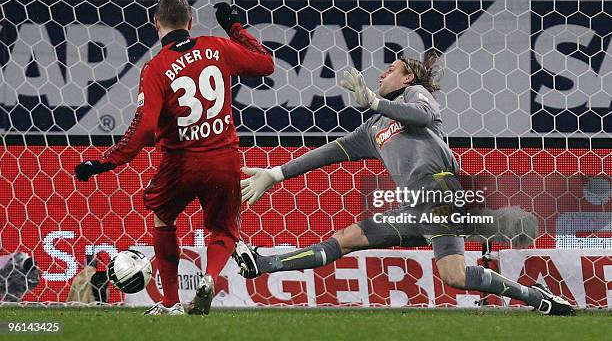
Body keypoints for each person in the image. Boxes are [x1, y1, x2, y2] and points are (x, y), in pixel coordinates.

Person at [235, 52, 575, 315]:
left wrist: (376, 101)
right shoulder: (371, 129)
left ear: (408, 76)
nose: (382, 74)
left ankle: (535, 297)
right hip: (413, 207)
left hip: (440, 195)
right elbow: (326, 154)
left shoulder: (417, 95)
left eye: (391, 70)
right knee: (349, 240)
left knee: (453, 275)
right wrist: (275, 174)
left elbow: (422, 116)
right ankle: (263, 264)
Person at [74, 0, 274, 315]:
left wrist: (103, 162)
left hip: (180, 165)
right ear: (190, 22)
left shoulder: (156, 68)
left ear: (156, 25)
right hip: (224, 159)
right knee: (223, 231)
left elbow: (142, 130)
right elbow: (265, 62)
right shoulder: (215, 47)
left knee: (163, 220)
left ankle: (170, 303)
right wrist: (234, 26)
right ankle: (208, 278)